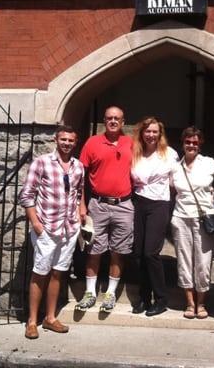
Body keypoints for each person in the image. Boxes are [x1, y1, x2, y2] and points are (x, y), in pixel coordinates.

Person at [19, 125, 84, 339]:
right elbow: (27, 195)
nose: (66, 143)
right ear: (56, 140)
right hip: (47, 227)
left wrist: (79, 211)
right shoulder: (42, 163)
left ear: (75, 142)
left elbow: (78, 193)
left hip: (69, 228)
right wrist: (36, 223)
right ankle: (32, 321)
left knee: (58, 272)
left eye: (70, 140)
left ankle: (50, 317)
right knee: (40, 272)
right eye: (63, 139)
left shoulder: (78, 166)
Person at [170, 126, 214, 319]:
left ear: (200, 144)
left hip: (203, 218)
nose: (191, 145)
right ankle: (190, 303)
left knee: (203, 262)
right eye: (188, 142)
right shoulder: (174, 167)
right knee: (184, 261)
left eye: (195, 142)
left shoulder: (208, 163)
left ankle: (202, 303)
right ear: (183, 144)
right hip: (180, 218)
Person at [76, 106, 133, 314]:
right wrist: (81, 204)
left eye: (117, 118)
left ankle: (110, 293)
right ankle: (90, 292)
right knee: (94, 249)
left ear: (123, 122)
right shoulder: (92, 143)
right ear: (104, 120)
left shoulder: (130, 143)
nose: (113, 121)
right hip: (97, 205)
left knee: (118, 250)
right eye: (109, 118)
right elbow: (80, 177)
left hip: (124, 205)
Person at [130, 117, 178, 316]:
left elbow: (178, 181)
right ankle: (143, 298)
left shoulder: (169, 154)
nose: (151, 135)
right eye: (147, 131)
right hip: (139, 202)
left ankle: (161, 299)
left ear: (160, 134)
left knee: (151, 252)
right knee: (139, 254)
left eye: (154, 132)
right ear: (142, 133)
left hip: (159, 204)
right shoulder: (136, 153)